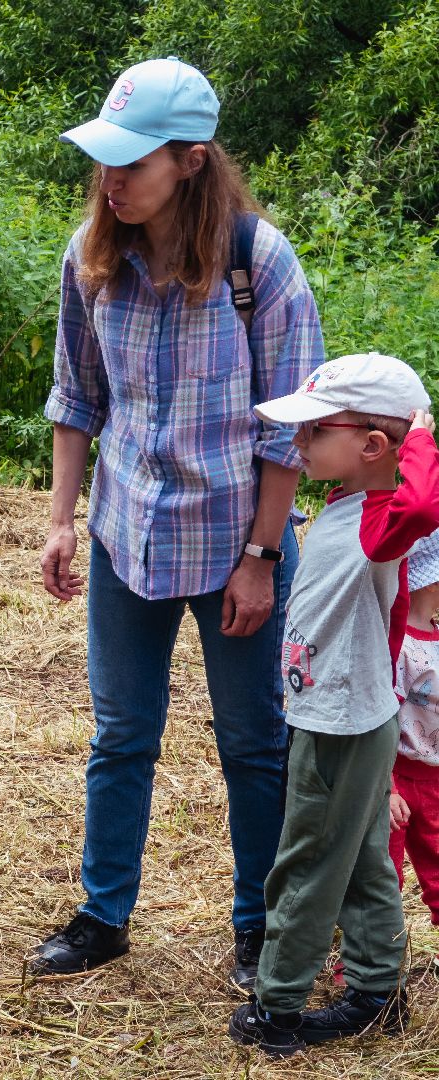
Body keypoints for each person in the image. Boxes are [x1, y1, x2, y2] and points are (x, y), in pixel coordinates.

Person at [34, 56, 324, 989]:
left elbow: (292, 430)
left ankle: (261, 927)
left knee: (254, 740)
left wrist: (261, 557)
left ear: (191, 162)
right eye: (104, 163)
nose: (112, 181)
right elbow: (76, 400)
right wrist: (63, 522)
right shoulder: (93, 260)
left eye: (134, 164)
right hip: (127, 534)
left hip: (234, 543)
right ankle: (102, 915)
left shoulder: (258, 264)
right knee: (121, 735)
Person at [229, 353, 439, 1056]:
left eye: (315, 431)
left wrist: (420, 437)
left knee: (309, 862)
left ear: (373, 446)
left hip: (340, 724)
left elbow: (419, 502)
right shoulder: (349, 504)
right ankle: (378, 992)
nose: (298, 445)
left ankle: (278, 1009)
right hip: (343, 714)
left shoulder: (384, 520)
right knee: (359, 862)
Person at [388, 533, 439, 927]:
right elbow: (383, 717)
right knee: (382, 874)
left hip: (435, 781)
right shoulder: (397, 645)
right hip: (398, 778)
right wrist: (385, 785)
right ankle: (368, 965)